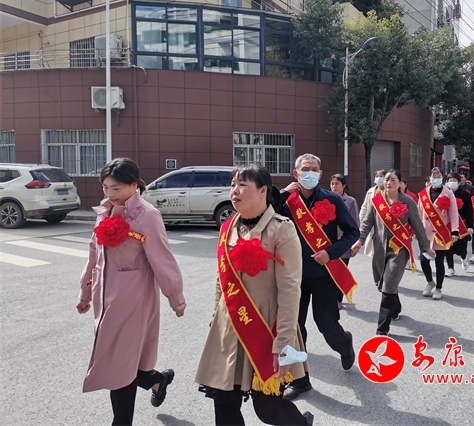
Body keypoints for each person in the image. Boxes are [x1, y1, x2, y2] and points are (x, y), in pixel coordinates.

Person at [195, 164, 313, 426]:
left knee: (267, 408)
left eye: (242, 185)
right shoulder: (227, 227)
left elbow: (290, 289)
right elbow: (221, 279)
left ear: (263, 191)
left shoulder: (282, 229)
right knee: (224, 403)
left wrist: (283, 342)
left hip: (267, 326)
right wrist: (216, 316)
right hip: (230, 326)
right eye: (233, 185)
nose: (234, 191)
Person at [77, 158, 186, 426]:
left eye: (116, 188)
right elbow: (94, 254)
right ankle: (157, 380)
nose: (110, 194)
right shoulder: (104, 211)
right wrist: (85, 292)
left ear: (134, 184)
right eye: (105, 187)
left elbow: (162, 258)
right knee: (119, 361)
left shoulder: (147, 215)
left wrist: (175, 296)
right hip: (105, 298)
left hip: (133, 299)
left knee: (119, 365)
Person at [276, 154, 359, 401]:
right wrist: (283, 193)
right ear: (296, 173)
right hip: (293, 276)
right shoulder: (286, 201)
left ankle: (345, 343)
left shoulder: (332, 199)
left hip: (324, 275)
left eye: (314, 169)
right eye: (305, 169)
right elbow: (265, 215)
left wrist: (330, 252)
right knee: (294, 328)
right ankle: (300, 381)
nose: (309, 173)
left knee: (327, 326)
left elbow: (352, 232)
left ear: (320, 174)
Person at [350, 169, 433, 335]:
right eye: (386, 179)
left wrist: (426, 246)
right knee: (382, 283)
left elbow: (418, 225)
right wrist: (359, 241)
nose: (388, 182)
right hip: (379, 248)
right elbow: (367, 222)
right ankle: (396, 308)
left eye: (393, 179)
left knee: (389, 283)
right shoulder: (376, 200)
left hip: (399, 249)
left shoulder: (408, 201)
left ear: (400, 183)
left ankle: (382, 329)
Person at [417, 167, 459, 300]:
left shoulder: (448, 193)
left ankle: (439, 288)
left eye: (438, 176)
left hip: (441, 233)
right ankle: (430, 282)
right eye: (433, 176)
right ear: (430, 178)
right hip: (425, 233)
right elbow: (419, 213)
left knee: (439, 262)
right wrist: (416, 230)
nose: (436, 178)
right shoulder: (423, 194)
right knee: (423, 260)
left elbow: (453, 213)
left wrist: (455, 230)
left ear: (442, 177)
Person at [330, 174, 360, 309]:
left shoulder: (350, 201)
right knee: (330, 272)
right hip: (329, 242)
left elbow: (355, 223)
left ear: (343, 186)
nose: (334, 186)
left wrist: (354, 243)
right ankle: (330, 298)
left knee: (341, 272)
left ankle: (338, 299)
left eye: (337, 183)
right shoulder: (326, 199)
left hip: (344, 242)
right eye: (332, 183)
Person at [444, 172, 474, 275]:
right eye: (450, 181)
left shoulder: (465, 194)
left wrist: (470, 226)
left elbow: (469, 212)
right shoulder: (444, 194)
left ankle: (463, 258)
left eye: (454, 181)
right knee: (448, 247)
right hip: (447, 225)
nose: (452, 182)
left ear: (458, 182)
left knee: (461, 248)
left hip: (461, 225)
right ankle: (450, 268)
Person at [359, 169, 386, 258]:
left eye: (381, 176)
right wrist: (361, 220)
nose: (378, 178)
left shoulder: (389, 191)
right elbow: (364, 207)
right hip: (372, 222)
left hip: (385, 222)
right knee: (373, 249)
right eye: (377, 176)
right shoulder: (371, 191)